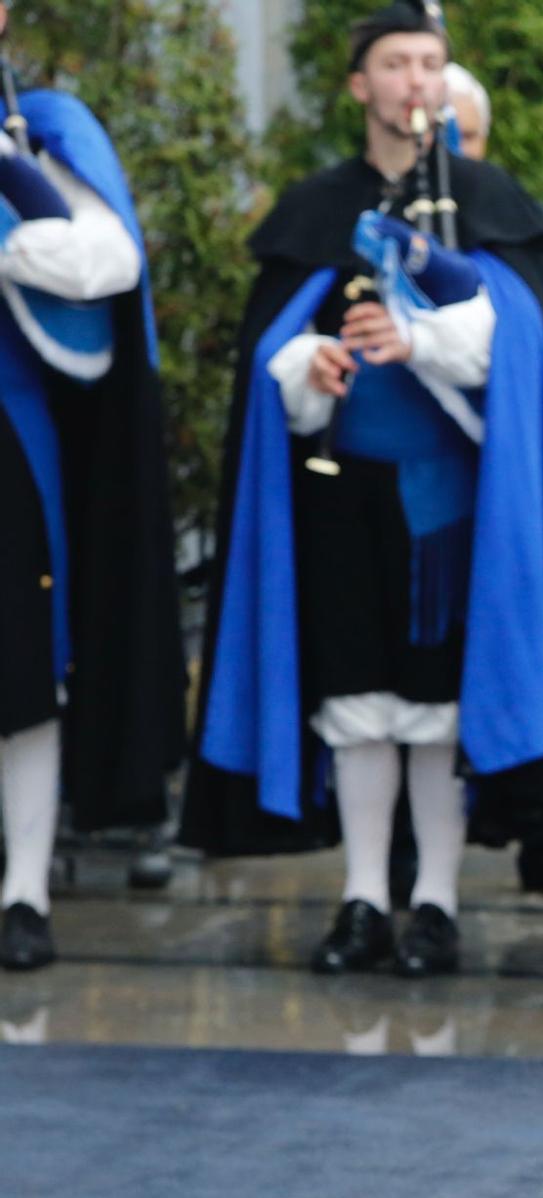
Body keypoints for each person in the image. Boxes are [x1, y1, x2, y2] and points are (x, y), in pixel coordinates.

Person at [180, 0, 543, 976]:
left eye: (429, 62)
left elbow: (530, 350)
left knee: (435, 703)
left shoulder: (488, 198)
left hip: (452, 502)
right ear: (360, 86)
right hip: (342, 490)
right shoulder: (314, 206)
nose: (415, 81)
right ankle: (362, 896)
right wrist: (312, 365)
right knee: (357, 698)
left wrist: (421, 339)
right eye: (395, 63)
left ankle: (435, 902)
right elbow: (272, 354)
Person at [0, 0, 184, 970]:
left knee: (25, 664)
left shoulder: (44, 124)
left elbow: (108, 260)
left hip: (12, 431)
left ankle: (23, 889)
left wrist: (11, 234)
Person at [441, 59, 543, 904]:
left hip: (521, 479)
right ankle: (408, 860)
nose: (454, 150)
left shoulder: (509, 212)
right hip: (431, 481)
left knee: (542, 643)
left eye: (465, 132)